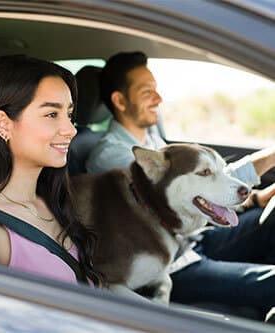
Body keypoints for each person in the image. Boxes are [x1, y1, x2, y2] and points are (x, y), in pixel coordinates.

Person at [85, 51, 275, 319]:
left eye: (157, 90)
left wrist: (254, 198)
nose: (159, 99)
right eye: (146, 92)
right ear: (120, 100)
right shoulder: (116, 158)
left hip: (193, 236)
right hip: (172, 262)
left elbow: (202, 184)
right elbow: (190, 190)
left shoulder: (155, 140)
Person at [0, 55, 102, 286]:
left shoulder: (52, 201)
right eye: (51, 114)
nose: (70, 130)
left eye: (68, 114)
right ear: (3, 124)